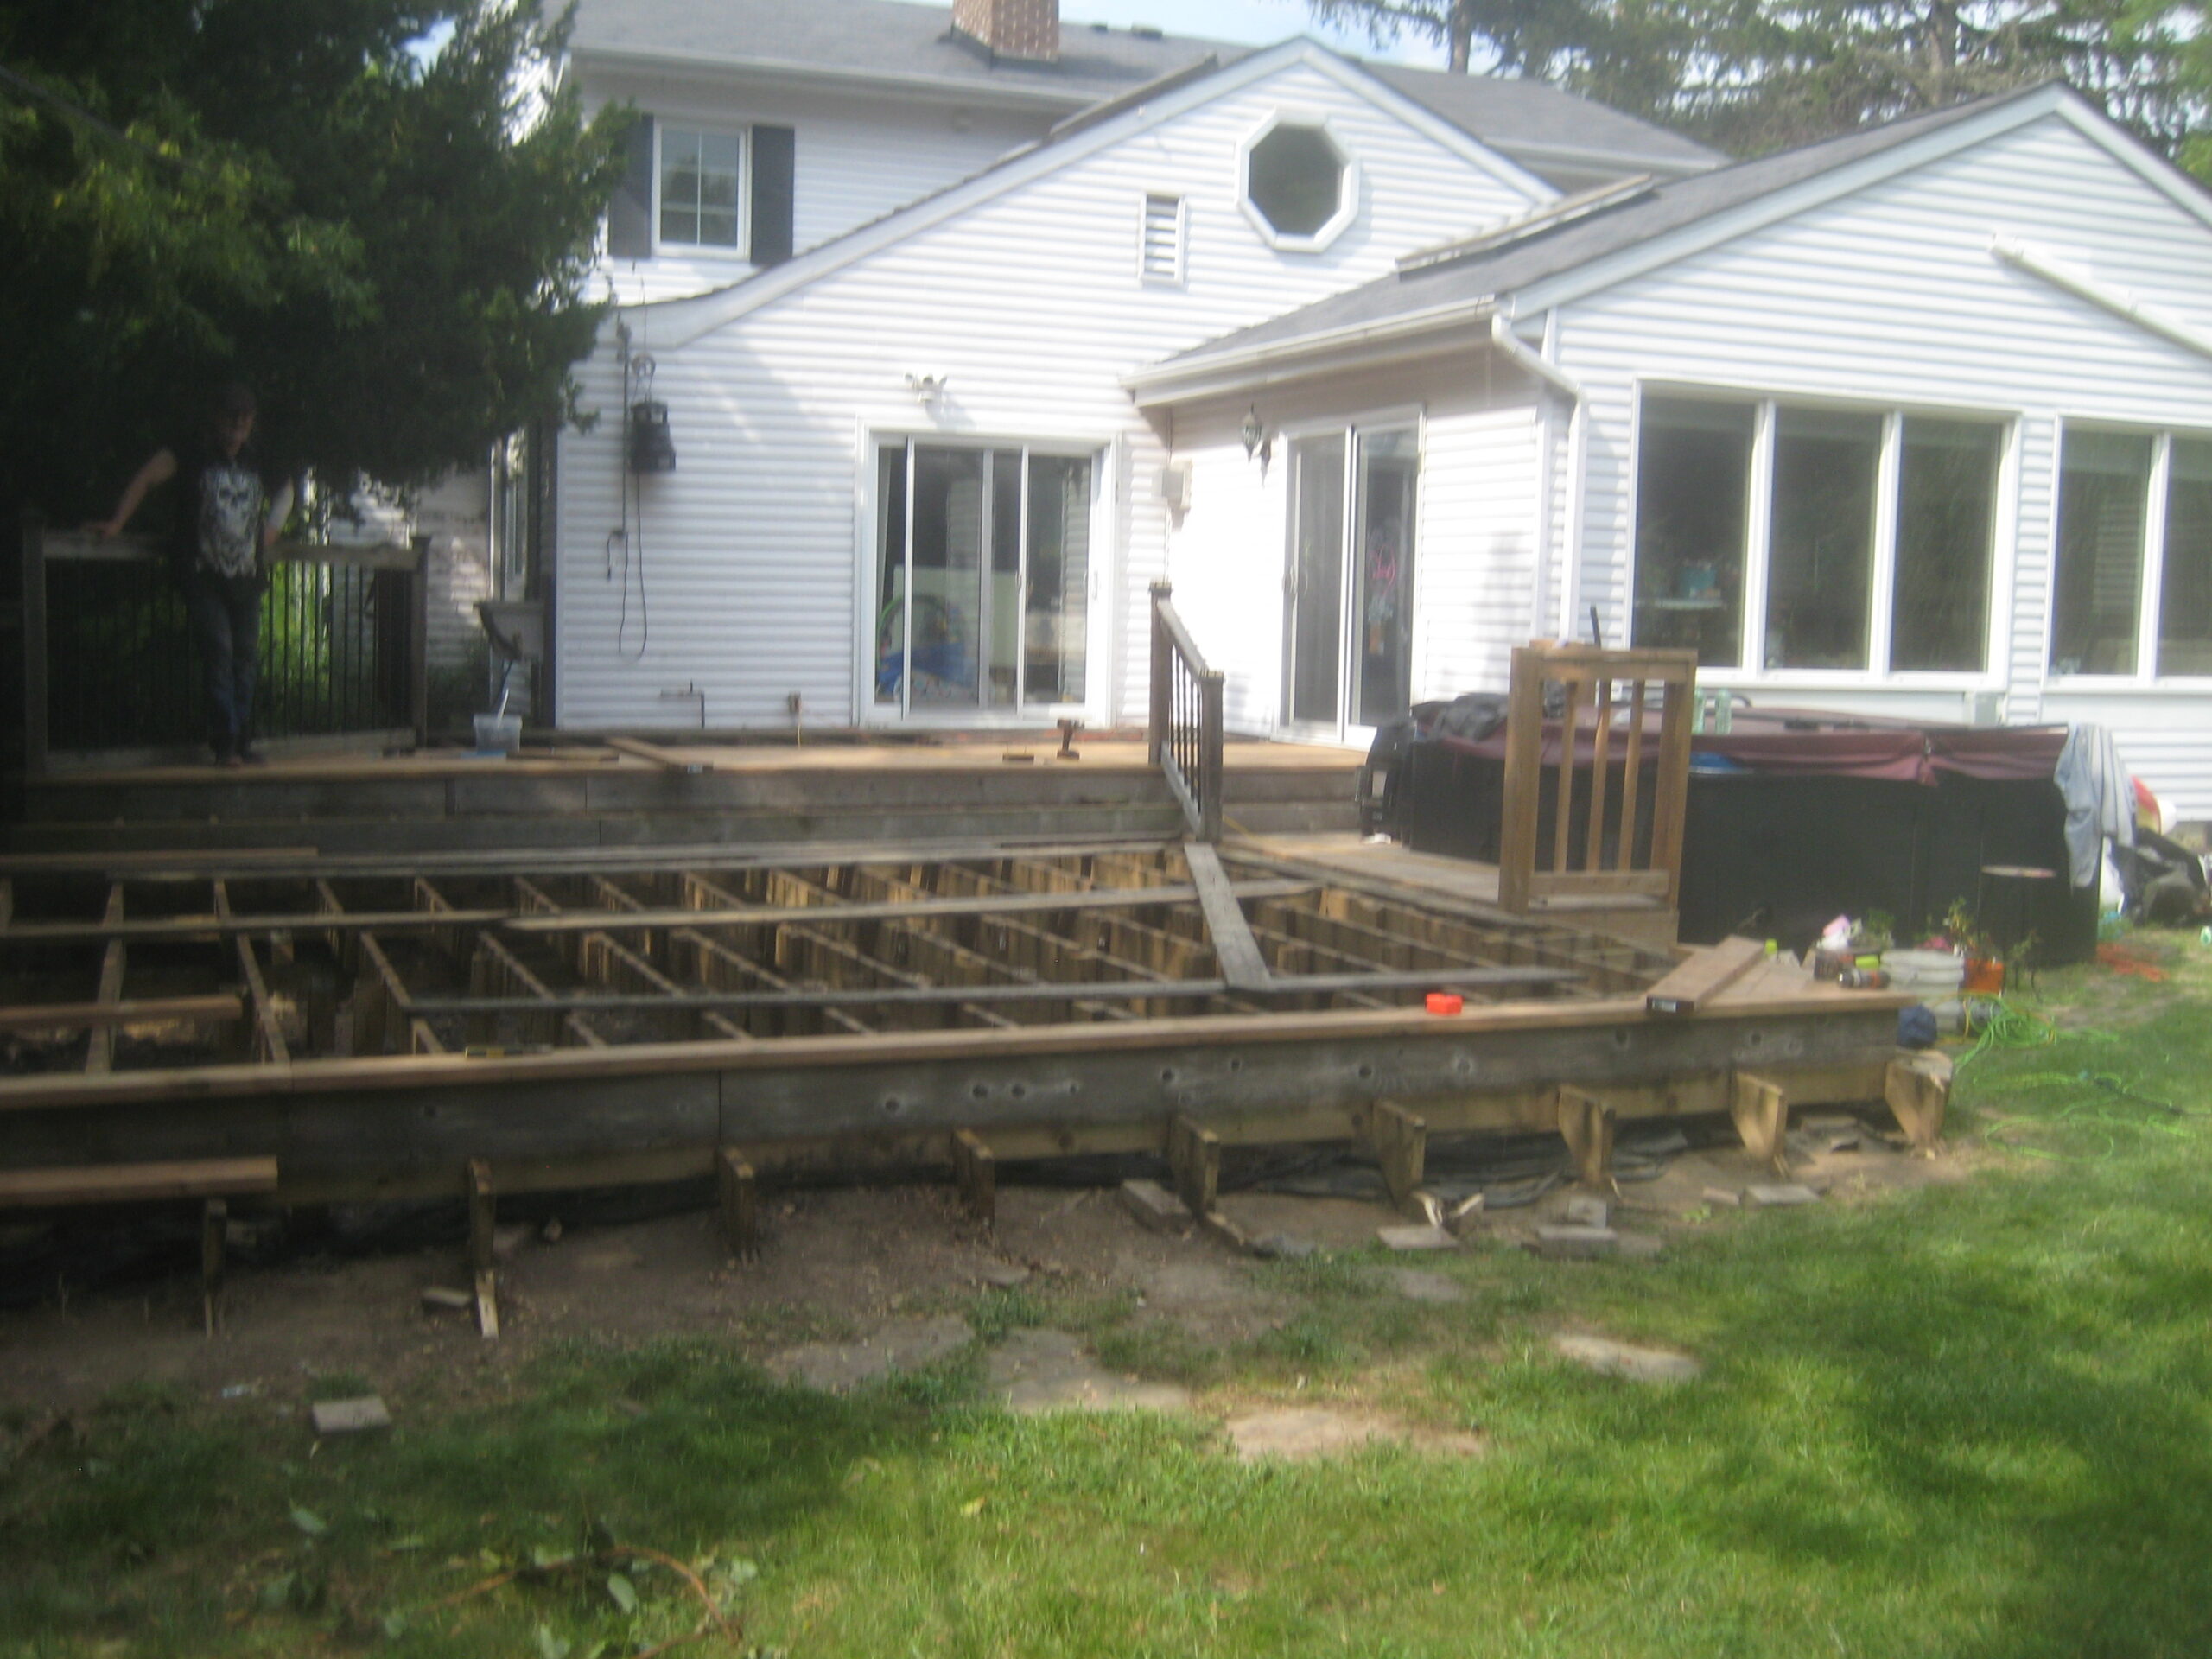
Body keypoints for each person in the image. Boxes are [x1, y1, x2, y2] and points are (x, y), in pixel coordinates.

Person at [91, 384, 295, 766]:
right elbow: (146, 478)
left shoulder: (258, 457)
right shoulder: (190, 452)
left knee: (246, 656)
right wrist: (118, 523)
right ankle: (225, 742)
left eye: (244, 424)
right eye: (231, 422)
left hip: (246, 573)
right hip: (202, 573)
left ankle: (242, 739)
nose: (237, 431)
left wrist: (272, 529)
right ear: (216, 418)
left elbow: (286, 489)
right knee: (219, 651)